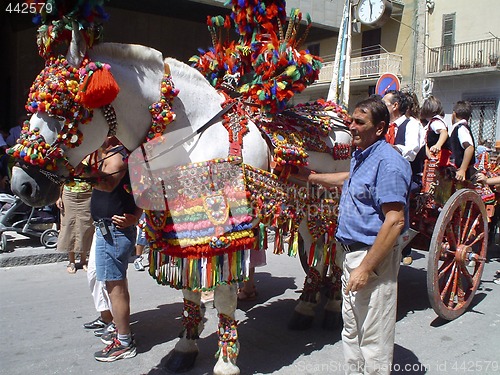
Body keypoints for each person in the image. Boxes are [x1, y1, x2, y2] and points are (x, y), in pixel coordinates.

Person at [300, 97, 411, 374]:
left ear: (380, 127)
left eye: (359, 122)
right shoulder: (362, 156)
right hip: (351, 255)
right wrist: (311, 178)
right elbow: (348, 179)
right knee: (351, 330)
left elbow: (395, 221)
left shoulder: (388, 163)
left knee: (372, 337)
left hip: (371, 257)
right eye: (350, 120)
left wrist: (365, 267)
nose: (351, 126)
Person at [84, 136, 142, 361]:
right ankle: (119, 330)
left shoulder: (119, 155)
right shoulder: (104, 153)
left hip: (113, 232)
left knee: (115, 286)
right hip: (106, 230)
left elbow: (107, 185)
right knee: (111, 284)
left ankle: (125, 342)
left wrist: (134, 218)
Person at [382, 90, 425, 265]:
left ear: (395, 106)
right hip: (386, 173)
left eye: (385, 103)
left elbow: (412, 151)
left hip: (409, 175)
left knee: (398, 192)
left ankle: (403, 244)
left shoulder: (412, 124)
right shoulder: (383, 125)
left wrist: (393, 149)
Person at [56, 180, 94, 274]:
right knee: (69, 226)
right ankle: (71, 261)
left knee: (85, 227)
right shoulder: (66, 164)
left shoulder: (89, 164)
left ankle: (83, 260)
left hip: (87, 195)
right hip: (69, 194)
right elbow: (60, 178)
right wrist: (58, 197)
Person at [449, 100, 476, 181]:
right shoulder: (461, 128)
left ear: (454, 114)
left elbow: (469, 148)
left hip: (462, 174)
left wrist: (462, 170)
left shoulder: (461, 129)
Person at [421, 95, 450, 164]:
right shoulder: (437, 121)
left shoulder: (435, 122)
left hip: (439, 159)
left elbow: (444, 132)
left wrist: (438, 145)